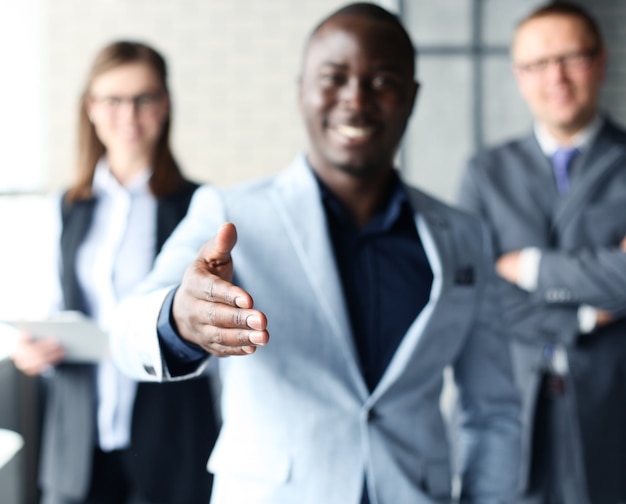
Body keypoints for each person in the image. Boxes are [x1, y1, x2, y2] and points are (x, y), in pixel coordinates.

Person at [111, 4, 521, 504]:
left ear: (411, 98)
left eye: (382, 80)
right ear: (302, 90)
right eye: (334, 77)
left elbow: (493, 409)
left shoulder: (462, 235)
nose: (356, 100)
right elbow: (127, 330)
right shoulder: (231, 212)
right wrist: (179, 317)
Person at [11, 41, 218, 504]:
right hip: (78, 439)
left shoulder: (199, 208)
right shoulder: (64, 208)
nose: (129, 114)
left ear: (164, 105)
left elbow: (210, 330)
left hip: (172, 437)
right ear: (90, 108)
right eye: (113, 99)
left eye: (144, 98)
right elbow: (53, 307)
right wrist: (32, 351)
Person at [458, 2, 626, 503]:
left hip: (613, 408)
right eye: (536, 64)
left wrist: (530, 267)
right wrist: (585, 315)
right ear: (518, 75)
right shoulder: (486, 173)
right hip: (509, 405)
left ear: (600, 60)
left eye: (571, 57)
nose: (555, 77)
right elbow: (475, 293)